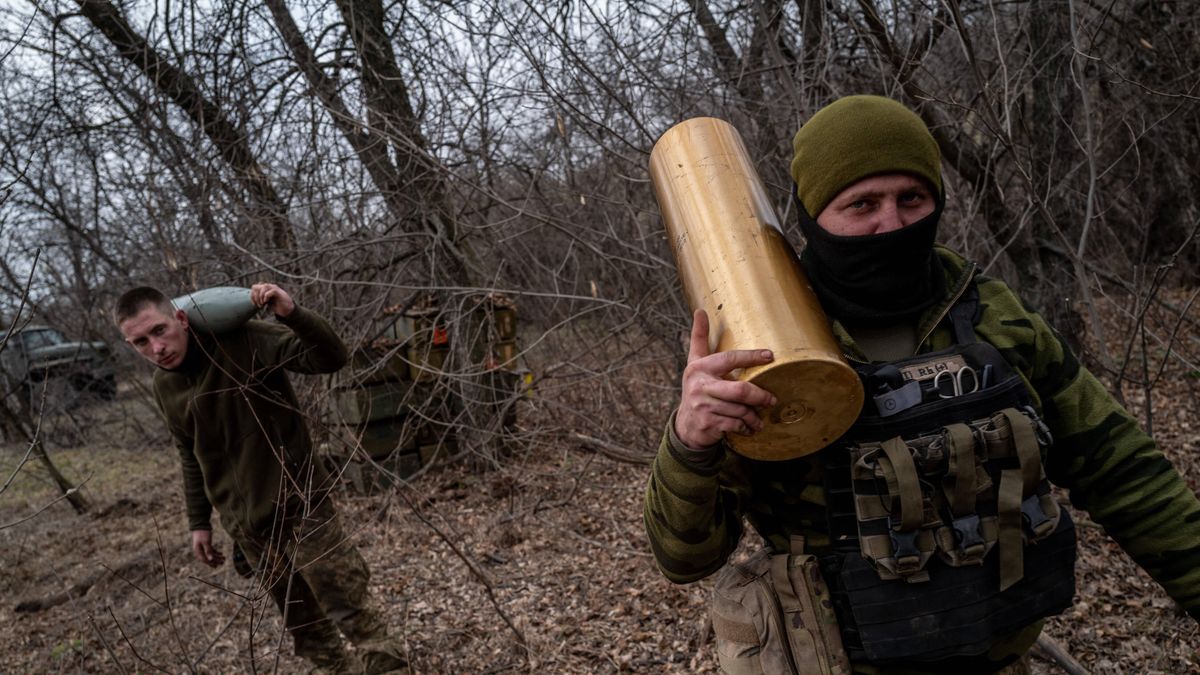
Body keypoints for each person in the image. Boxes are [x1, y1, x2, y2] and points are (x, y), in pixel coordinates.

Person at [644, 95, 1200, 673]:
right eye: (861, 204)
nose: (892, 223)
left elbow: (1124, 472)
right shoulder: (766, 350)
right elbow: (685, 558)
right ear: (813, 215)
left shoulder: (989, 313)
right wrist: (691, 441)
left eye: (912, 198)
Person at [115, 283, 408, 675]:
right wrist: (199, 523)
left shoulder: (243, 341)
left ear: (181, 319)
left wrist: (292, 313)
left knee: (351, 610)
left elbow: (331, 357)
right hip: (249, 530)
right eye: (140, 342)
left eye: (159, 331)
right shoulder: (163, 386)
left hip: (300, 507)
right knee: (307, 629)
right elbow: (190, 454)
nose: (156, 348)